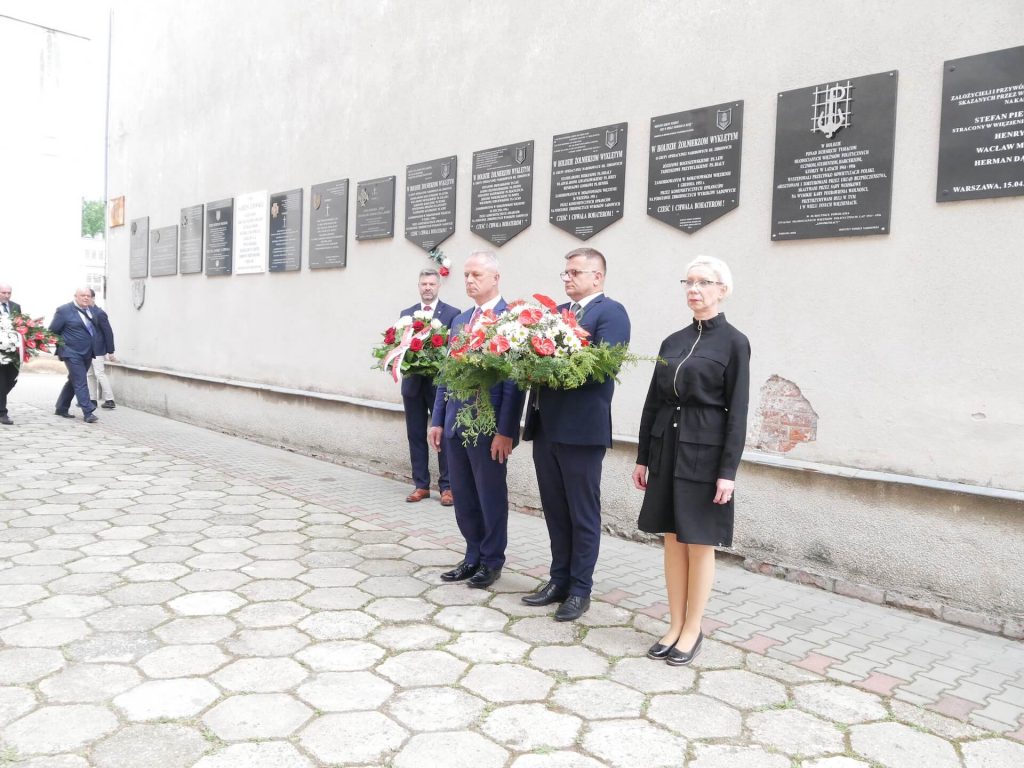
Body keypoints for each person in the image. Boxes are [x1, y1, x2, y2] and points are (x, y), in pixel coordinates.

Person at [632, 255, 750, 665]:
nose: (694, 289)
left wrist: (727, 472)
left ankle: (693, 628)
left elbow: (738, 412)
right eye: (689, 282)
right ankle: (674, 624)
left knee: (698, 541)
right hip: (667, 447)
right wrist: (643, 456)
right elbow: (652, 402)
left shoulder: (734, 343)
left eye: (703, 282)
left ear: (722, 290)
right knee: (671, 538)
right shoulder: (672, 341)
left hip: (706, 452)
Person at [521, 248, 631, 621]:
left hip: (582, 431)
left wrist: (549, 365)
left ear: (597, 276)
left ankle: (580, 589)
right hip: (546, 428)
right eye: (565, 273)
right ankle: (559, 580)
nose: (567, 278)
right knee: (555, 510)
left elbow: (603, 368)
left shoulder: (610, 312)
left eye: (575, 272)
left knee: (582, 513)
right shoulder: (556, 314)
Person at [428, 251, 525, 589]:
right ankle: (472, 555)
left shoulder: (511, 320)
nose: (469, 280)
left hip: (488, 426)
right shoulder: (461, 320)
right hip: (456, 423)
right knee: (464, 494)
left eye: (476, 275)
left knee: (489, 495)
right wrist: (437, 419)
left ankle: (492, 560)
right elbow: (447, 373)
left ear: (495, 278)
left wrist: (506, 430)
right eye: (466, 275)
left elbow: (515, 381)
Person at [401, 269, 460, 505]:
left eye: (431, 284)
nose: (427, 288)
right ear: (419, 286)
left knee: (443, 435)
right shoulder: (406, 314)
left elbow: (455, 350)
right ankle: (421, 485)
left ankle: (447, 487)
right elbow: (400, 348)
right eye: (423, 284)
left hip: (439, 386)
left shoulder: (453, 314)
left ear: (438, 287)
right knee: (415, 434)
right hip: (413, 385)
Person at [49, 288, 101, 423]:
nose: (86, 298)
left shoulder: (91, 310)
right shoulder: (64, 310)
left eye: (88, 296)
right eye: (82, 295)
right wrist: (63, 345)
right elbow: (52, 331)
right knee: (80, 380)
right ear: (76, 296)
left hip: (87, 352)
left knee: (74, 380)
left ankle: (61, 407)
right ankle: (88, 412)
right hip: (71, 352)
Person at [87, 288, 117, 409]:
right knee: (90, 374)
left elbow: (108, 332)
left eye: (88, 297)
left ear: (93, 298)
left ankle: (110, 400)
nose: (86, 299)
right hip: (87, 349)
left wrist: (110, 351)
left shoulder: (100, 313)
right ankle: (92, 400)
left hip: (98, 349)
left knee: (99, 373)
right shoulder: (84, 312)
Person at [0, 283, 23, 425]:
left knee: (12, 378)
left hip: (13, 350)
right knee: (1, 380)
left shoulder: (15, 306)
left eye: (9, 293)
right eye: (3, 293)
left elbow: (20, 325)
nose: (6, 295)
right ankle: (2, 412)